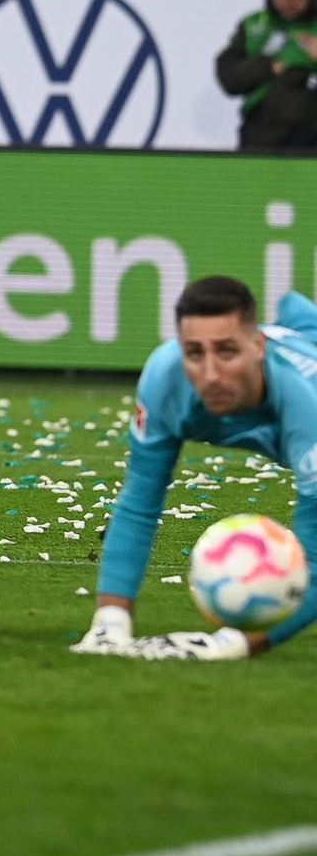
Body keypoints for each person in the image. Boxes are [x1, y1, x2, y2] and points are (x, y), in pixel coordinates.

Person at [72, 277, 317, 661]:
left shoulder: (308, 408)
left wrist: (230, 644)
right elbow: (139, 501)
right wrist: (109, 623)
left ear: (258, 346)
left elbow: (313, 565)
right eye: (194, 353)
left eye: (227, 351)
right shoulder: (165, 377)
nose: (211, 373)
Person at [215, 0, 317, 151]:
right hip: (260, 134)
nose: (287, 1)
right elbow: (229, 77)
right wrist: (271, 65)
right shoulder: (255, 26)